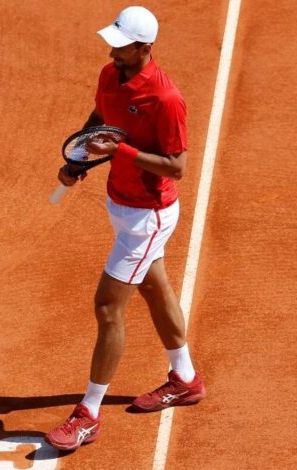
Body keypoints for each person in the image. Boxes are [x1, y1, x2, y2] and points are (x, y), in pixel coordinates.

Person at [45, 5, 206, 452]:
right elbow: (100, 118)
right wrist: (77, 159)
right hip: (120, 202)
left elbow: (177, 167)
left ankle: (88, 415)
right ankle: (186, 379)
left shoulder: (166, 99)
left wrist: (122, 152)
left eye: (121, 45)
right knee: (155, 289)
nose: (112, 50)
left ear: (145, 47)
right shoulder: (109, 74)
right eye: (112, 42)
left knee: (107, 307)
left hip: (148, 215)